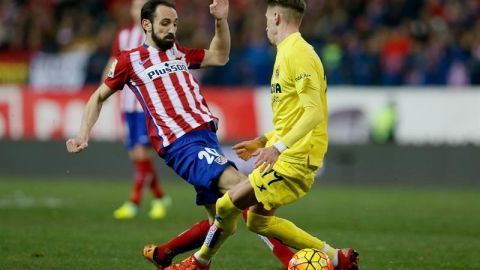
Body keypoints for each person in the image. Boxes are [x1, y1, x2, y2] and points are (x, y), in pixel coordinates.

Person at [66, 0, 293, 268]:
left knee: (222, 224)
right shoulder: (129, 60)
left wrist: (220, 21)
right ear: (146, 25)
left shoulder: (178, 52)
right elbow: (97, 97)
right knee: (243, 188)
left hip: (207, 139)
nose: (171, 29)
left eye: (174, 23)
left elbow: (220, 56)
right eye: (165, 23)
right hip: (181, 143)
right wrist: (83, 134)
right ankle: (293, 260)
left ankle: (164, 253)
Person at [166, 0, 360, 270]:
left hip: (294, 158)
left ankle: (199, 262)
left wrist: (277, 148)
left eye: (268, 19)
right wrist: (263, 140)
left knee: (224, 206)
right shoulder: (287, 52)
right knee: (258, 221)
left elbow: (313, 113)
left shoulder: (299, 53)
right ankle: (337, 258)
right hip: (292, 154)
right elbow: (293, 116)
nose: (266, 25)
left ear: (277, 17)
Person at [104, 0, 171, 220]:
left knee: (142, 152)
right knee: (136, 155)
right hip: (127, 103)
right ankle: (160, 197)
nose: (138, 10)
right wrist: (101, 90)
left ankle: (134, 201)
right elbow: (113, 63)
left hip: (147, 105)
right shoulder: (123, 36)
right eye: (135, 6)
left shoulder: (158, 36)